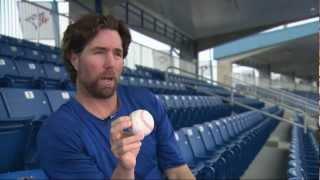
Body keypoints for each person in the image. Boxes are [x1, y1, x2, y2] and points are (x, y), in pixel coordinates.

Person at [37, 14, 195, 180]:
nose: (111, 63)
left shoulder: (147, 102)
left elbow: (178, 172)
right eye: (99, 52)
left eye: (117, 54)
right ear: (75, 60)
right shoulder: (58, 132)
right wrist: (125, 168)